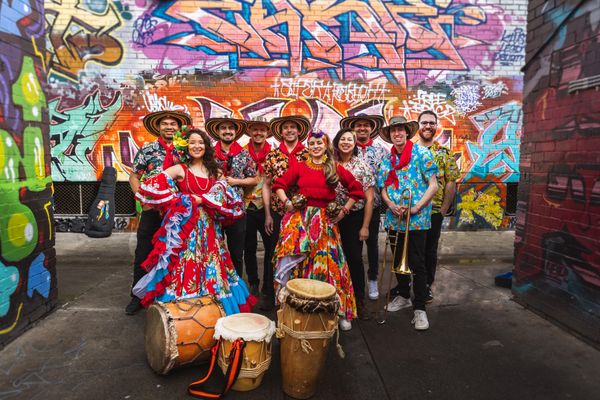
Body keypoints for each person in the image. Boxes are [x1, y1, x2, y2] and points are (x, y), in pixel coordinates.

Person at [132, 128, 255, 315]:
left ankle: (211, 310)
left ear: (206, 146)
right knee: (186, 263)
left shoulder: (216, 172)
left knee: (211, 264)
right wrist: (180, 199)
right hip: (186, 228)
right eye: (192, 143)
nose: (197, 146)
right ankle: (185, 312)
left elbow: (226, 197)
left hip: (210, 228)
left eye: (200, 142)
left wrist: (202, 199)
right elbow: (151, 185)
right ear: (186, 147)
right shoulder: (179, 169)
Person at [272, 129, 365, 331]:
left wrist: (344, 211)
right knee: (302, 264)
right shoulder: (299, 166)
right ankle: (298, 310)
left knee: (331, 265)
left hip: (325, 223)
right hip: (301, 222)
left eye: (319, 143)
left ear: (326, 145)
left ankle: (338, 311)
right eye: (312, 144)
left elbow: (357, 189)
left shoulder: (334, 167)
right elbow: (279, 184)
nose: (315, 147)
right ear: (308, 146)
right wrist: (287, 202)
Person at [126, 110, 192, 315]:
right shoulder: (148, 149)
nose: (169, 127)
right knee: (144, 252)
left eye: (173, 124)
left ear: (178, 128)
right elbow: (134, 177)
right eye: (165, 124)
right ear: (158, 127)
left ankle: (173, 294)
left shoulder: (186, 149)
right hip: (152, 210)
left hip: (178, 212)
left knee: (176, 252)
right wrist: (142, 199)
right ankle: (137, 297)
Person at [377, 116, 438, 331]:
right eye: (393, 131)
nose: (397, 133)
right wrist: (390, 204)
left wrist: (416, 207)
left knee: (417, 263)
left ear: (406, 132)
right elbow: (383, 188)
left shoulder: (422, 153)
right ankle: (403, 295)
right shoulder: (388, 159)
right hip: (395, 218)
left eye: (400, 130)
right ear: (390, 135)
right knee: (398, 261)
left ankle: (420, 308)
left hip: (417, 219)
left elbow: (433, 185)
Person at [260, 115, 311, 310]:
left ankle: (298, 292)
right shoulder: (272, 156)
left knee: (300, 251)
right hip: (277, 211)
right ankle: (269, 292)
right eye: (285, 127)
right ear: (281, 132)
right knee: (272, 251)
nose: (289, 130)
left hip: (301, 213)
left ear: (299, 131)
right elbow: (266, 185)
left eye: (293, 127)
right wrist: (267, 214)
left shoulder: (308, 154)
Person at [412, 111, 460, 303]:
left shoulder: (444, 153)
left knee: (429, 251)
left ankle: (426, 286)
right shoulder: (410, 151)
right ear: (418, 125)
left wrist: (443, 210)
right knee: (412, 251)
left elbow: (451, 181)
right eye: (424, 122)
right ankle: (409, 284)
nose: (428, 126)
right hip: (413, 212)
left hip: (433, 211)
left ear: (436, 126)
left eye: (432, 123)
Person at [340, 115, 387, 300]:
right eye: (358, 125)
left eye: (366, 125)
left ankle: (372, 278)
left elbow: (386, 177)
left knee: (372, 243)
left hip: (372, 204)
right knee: (353, 248)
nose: (362, 128)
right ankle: (352, 282)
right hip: (349, 208)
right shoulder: (345, 149)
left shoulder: (380, 150)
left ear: (371, 128)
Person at [205, 117, 258, 279]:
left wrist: (236, 181)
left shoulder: (244, 154)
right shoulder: (208, 154)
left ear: (235, 132)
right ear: (218, 131)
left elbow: (254, 179)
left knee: (236, 254)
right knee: (213, 251)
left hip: (237, 211)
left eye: (231, 128)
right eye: (223, 128)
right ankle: (216, 285)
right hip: (213, 211)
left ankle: (236, 286)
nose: (227, 131)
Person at [333, 128, 375, 321]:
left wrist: (365, 226)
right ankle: (336, 300)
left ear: (354, 143)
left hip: (354, 218)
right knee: (334, 260)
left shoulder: (362, 166)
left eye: (350, 139)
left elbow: (369, 199)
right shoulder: (329, 163)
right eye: (343, 139)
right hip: (332, 217)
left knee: (354, 260)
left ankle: (359, 300)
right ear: (337, 142)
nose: (346, 142)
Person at [242, 116, 273, 297]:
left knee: (270, 247)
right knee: (249, 247)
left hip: (266, 207)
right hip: (246, 206)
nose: (258, 133)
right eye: (255, 129)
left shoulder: (273, 154)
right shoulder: (242, 153)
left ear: (267, 132)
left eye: (262, 129)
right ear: (249, 132)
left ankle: (268, 285)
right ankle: (253, 282)